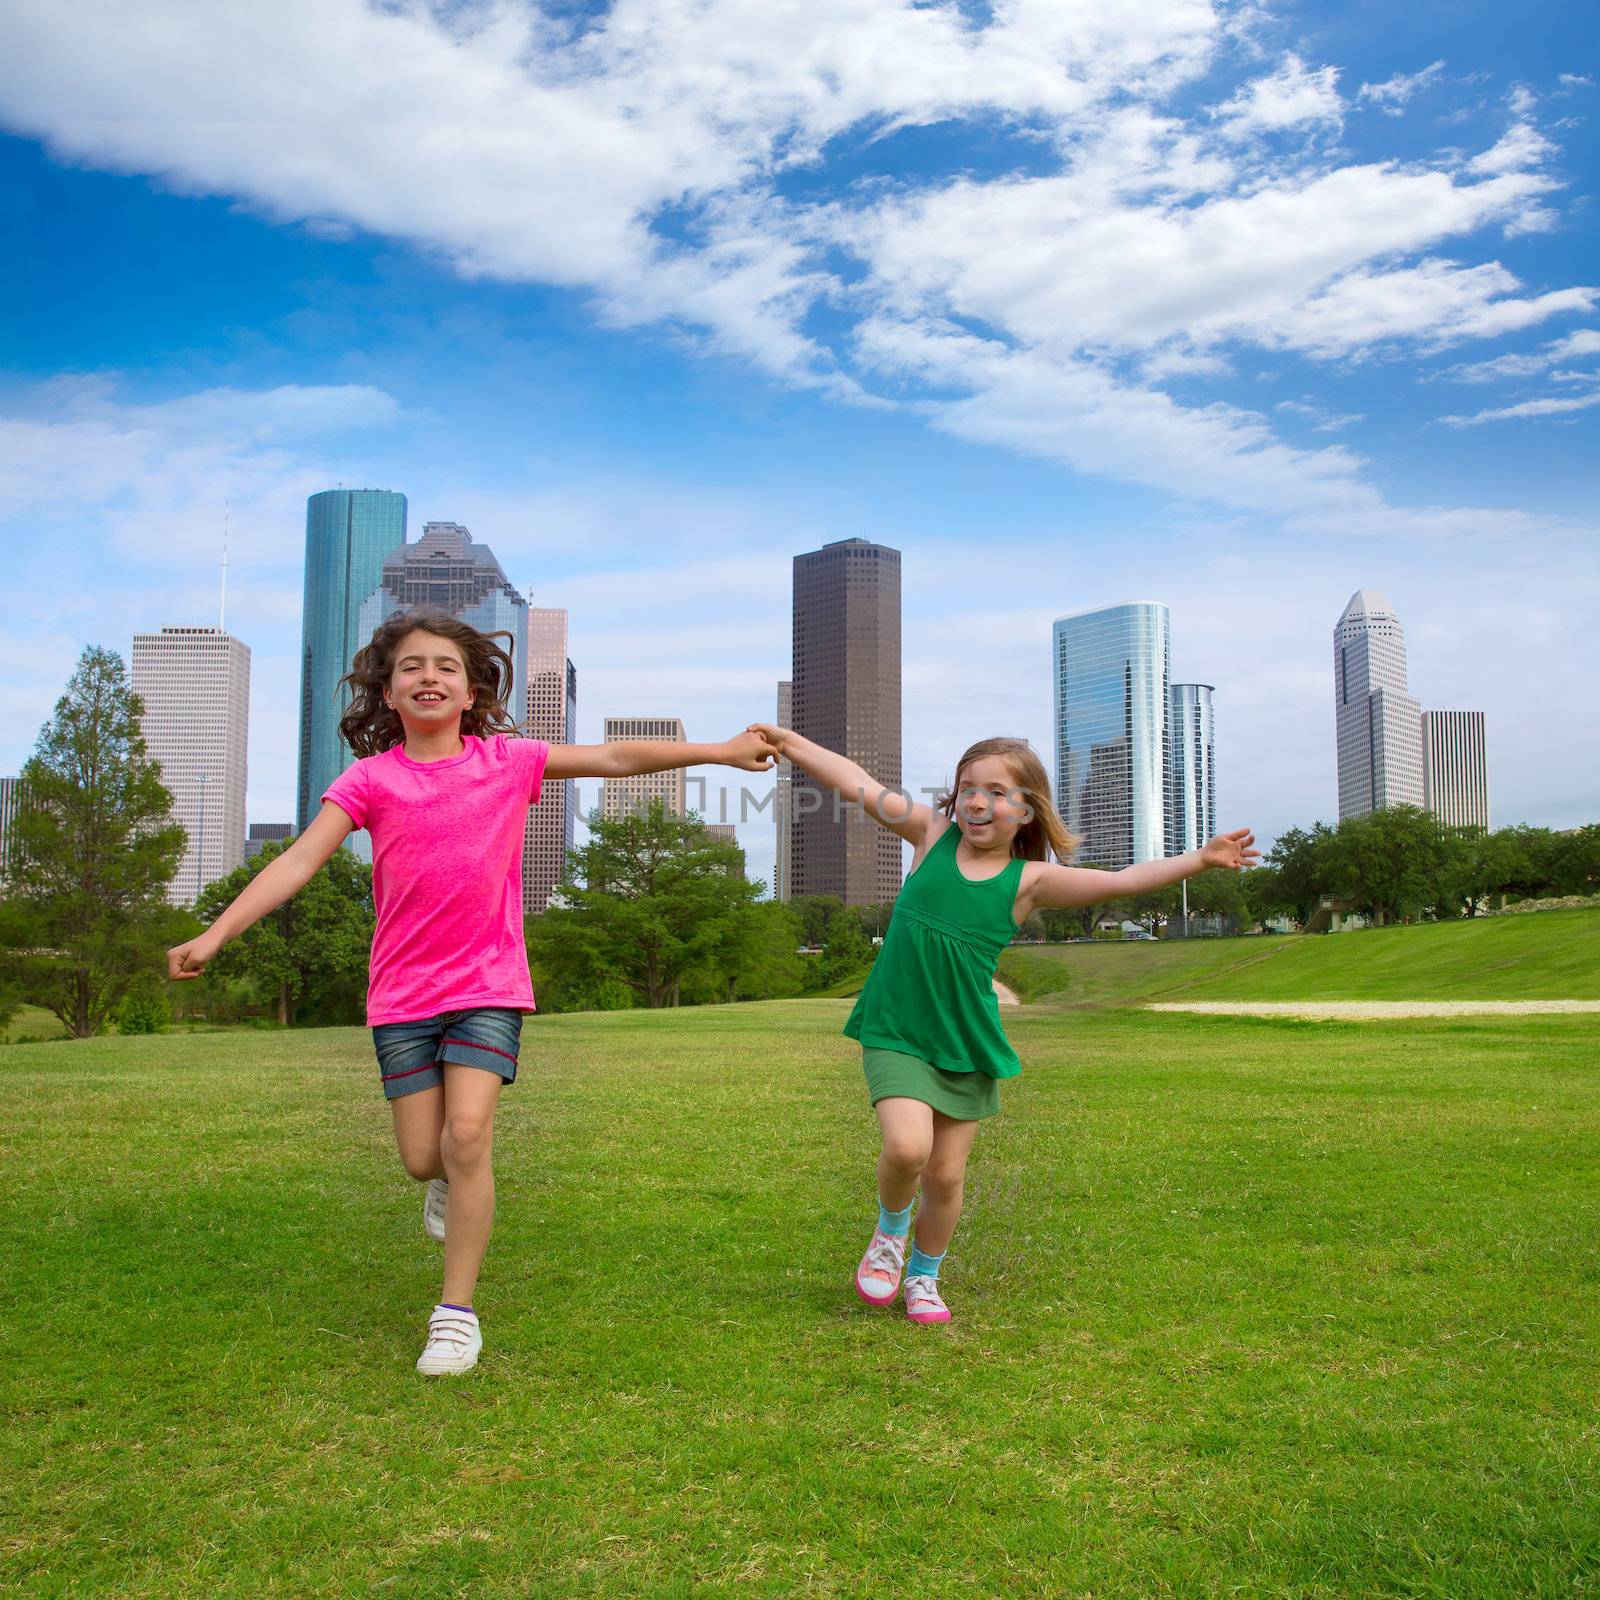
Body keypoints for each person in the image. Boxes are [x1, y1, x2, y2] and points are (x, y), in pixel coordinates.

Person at [170, 608, 777, 1375]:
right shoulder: (369, 780)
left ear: (471, 690)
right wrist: (216, 933)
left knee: (467, 1137)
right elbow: (297, 864)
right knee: (425, 1157)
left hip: (488, 982)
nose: (429, 676)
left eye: (446, 667)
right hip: (402, 993)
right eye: (412, 667)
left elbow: (615, 756)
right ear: (387, 693)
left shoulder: (505, 761)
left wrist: (719, 751)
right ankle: (448, 1187)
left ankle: (455, 1315)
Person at [749, 727, 1256, 1325]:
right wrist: (792, 743)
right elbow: (856, 783)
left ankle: (924, 1276)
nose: (977, 801)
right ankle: (889, 1236)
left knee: (945, 1174)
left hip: (965, 1039)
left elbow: (1119, 881)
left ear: (1026, 810)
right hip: (896, 1027)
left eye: (995, 791)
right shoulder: (930, 835)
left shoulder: (1030, 881)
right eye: (967, 788)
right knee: (909, 1148)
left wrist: (1201, 858)